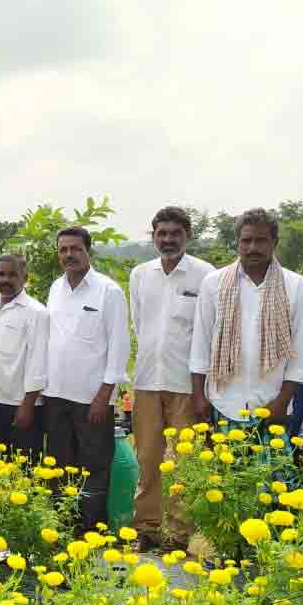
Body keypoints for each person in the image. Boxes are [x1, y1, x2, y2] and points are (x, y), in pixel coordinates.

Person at [128, 206, 215, 552]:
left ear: (187, 235)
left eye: (175, 233)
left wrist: (202, 390)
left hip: (186, 384)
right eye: (161, 234)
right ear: (153, 236)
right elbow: (139, 324)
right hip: (147, 380)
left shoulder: (205, 275)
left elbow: (208, 332)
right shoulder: (140, 275)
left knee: (182, 463)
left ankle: (178, 534)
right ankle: (147, 528)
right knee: (147, 458)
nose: (168, 240)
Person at [190, 208, 303, 429]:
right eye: (246, 241)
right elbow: (201, 343)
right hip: (222, 402)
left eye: (261, 241)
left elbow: (302, 352)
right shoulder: (213, 283)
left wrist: (282, 402)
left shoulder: (297, 286)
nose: (253, 248)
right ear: (237, 243)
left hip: (272, 404)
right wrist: (199, 396)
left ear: (274, 242)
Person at [44, 227, 131, 533]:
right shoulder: (56, 288)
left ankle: (92, 530)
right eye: (63, 249)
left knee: (94, 466)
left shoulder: (108, 291)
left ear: (88, 251)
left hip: (92, 399)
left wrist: (104, 396)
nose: (69, 255)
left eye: (75, 249)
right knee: (61, 464)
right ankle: (65, 527)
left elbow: (119, 345)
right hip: (56, 395)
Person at [0, 254, 48, 464]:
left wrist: (28, 405)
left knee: (26, 468)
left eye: (12, 275)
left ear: (25, 278)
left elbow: (38, 362)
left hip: (21, 405)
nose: (5, 279)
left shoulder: (37, 312)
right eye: (1, 274)